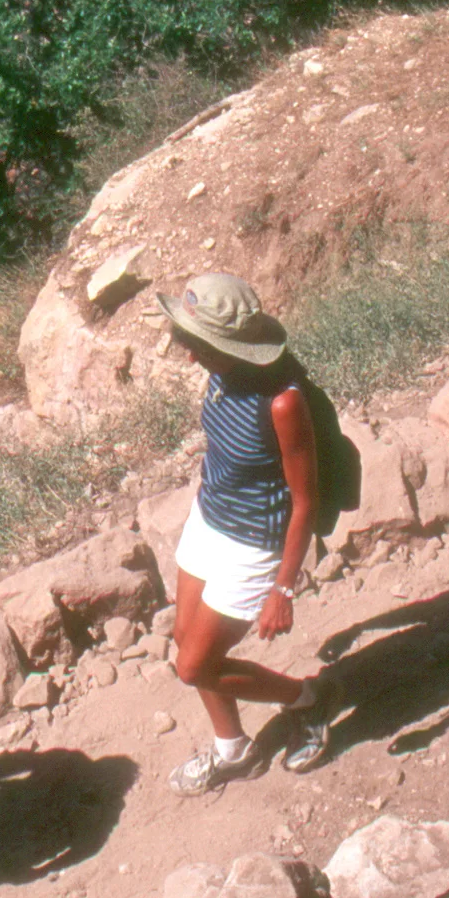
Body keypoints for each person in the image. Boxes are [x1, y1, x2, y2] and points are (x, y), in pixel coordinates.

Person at [158, 272, 335, 791]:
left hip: (254, 541)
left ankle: (307, 697)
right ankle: (233, 749)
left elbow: (306, 499)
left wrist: (283, 586)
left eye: (202, 346)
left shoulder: (281, 403)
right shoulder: (221, 372)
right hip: (209, 519)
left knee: (193, 667)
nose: (192, 356)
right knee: (185, 640)